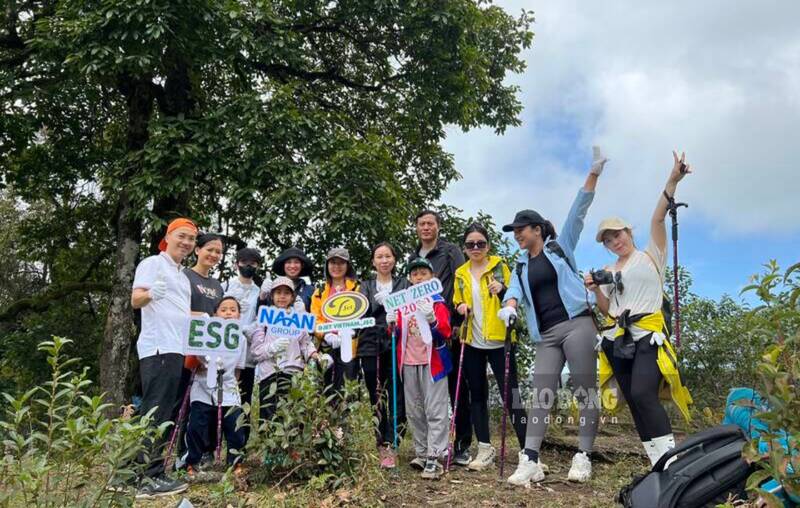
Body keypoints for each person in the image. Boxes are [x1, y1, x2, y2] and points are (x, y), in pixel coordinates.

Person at [499, 146, 608, 486]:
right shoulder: (519, 265)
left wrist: (593, 173)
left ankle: (584, 456)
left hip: (577, 324)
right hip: (546, 334)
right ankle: (530, 459)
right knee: (541, 392)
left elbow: (577, 213)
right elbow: (514, 292)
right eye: (514, 231)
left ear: (536, 229)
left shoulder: (561, 248)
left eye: (521, 229)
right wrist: (510, 307)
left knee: (584, 389)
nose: (517, 235)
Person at [587, 151, 693, 467]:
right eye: (608, 240)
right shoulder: (607, 269)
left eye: (617, 234)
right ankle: (657, 464)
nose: (615, 242)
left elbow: (658, 218)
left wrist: (673, 180)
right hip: (617, 337)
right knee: (634, 399)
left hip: (648, 334)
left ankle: (672, 462)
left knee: (645, 392)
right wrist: (595, 292)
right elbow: (607, 310)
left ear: (628, 232)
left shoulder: (650, 256)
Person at [130, 217, 197, 498]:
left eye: (191, 239)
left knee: (163, 412)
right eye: (181, 236)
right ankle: (144, 477)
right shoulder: (153, 264)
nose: (186, 243)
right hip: (158, 348)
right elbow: (136, 300)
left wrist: (200, 318)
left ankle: (142, 471)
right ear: (168, 237)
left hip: (176, 349)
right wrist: (149, 294)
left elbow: (179, 313)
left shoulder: (182, 276)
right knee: (155, 411)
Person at [452, 223, 527, 471]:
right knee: (477, 395)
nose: (476, 248)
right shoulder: (461, 273)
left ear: (488, 246)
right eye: (471, 244)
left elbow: (514, 296)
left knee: (511, 395)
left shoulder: (499, 266)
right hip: (472, 341)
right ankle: (485, 448)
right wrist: (461, 307)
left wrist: (503, 290)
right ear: (465, 248)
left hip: (499, 339)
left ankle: (529, 450)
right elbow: (456, 300)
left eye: (480, 243)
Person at [410, 210, 471, 466]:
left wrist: (456, 321)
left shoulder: (450, 251)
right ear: (416, 228)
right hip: (420, 336)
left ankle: (461, 444)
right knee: (428, 392)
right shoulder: (414, 257)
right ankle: (428, 448)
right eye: (421, 224)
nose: (426, 228)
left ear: (438, 227)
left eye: (430, 224)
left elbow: (461, 282)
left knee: (457, 385)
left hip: (447, 326)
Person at [394, 257, 453, 479]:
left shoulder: (437, 302)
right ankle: (421, 452)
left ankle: (435, 456)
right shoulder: (403, 304)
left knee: (435, 409)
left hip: (433, 363)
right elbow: (397, 334)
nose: (419, 277)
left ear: (432, 277)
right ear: (410, 278)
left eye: (423, 273)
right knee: (414, 410)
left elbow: (445, 332)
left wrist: (432, 318)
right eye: (415, 274)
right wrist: (392, 324)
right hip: (408, 363)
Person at [357, 242, 408, 468]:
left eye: (388, 256)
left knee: (396, 390)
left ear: (394, 259)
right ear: (373, 261)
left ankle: (394, 441)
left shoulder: (403, 283)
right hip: (370, 343)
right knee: (375, 393)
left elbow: (408, 308)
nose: (384, 260)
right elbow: (361, 311)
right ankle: (382, 441)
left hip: (396, 341)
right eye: (379, 256)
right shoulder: (365, 286)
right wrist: (380, 304)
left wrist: (392, 305)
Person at [176, 233, 225, 469]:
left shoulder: (217, 286)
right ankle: (179, 454)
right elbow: (177, 309)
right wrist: (200, 317)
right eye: (210, 249)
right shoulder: (184, 275)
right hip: (184, 346)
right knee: (181, 401)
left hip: (210, 352)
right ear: (197, 250)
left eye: (218, 252)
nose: (213, 255)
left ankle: (202, 452)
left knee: (205, 403)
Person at [184, 296, 247, 478]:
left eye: (233, 310)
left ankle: (235, 463)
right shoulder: (204, 332)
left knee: (235, 425)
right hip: (203, 385)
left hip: (228, 387)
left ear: (239, 316)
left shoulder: (241, 339)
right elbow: (191, 360)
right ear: (215, 314)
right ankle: (192, 462)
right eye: (224, 309)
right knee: (197, 425)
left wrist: (234, 388)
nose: (228, 313)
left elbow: (238, 369)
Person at [251, 277, 327, 421]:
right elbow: (256, 352)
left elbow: (305, 343)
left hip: (293, 374)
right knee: (269, 419)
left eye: (286, 293)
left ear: (292, 297)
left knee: (292, 419)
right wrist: (273, 347)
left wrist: (314, 355)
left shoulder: (298, 319)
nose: (282, 296)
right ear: (272, 296)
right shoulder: (263, 318)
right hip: (269, 374)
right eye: (278, 292)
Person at [224, 247, 264, 429]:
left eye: (253, 263)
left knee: (244, 398)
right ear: (236, 264)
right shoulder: (225, 286)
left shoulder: (261, 292)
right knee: (219, 396)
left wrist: (251, 329)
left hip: (248, 354)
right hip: (224, 352)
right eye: (244, 263)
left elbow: (262, 320)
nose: (248, 266)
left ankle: (241, 444)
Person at [310, 248, 360, 390]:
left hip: (350, 346)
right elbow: (315, 319)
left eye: (341, 263)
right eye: (333, 263)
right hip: (326, 346)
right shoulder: (319, 292)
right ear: (327, 265)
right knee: (324, 388)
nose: (336, 267)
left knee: (347, 388)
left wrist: (352, 329)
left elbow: (362, 313)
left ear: (347, 266)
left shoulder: (357, 288)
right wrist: (326, 334)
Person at [269, 247, 315, 311]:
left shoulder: (310, 290)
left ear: (302, 265)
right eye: (288, 262)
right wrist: (261, 298)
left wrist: (304, 314)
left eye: (296, 262)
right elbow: (259, 312)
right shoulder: (271, 287)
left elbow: (316, 315)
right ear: (283, 265)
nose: (292, 266)